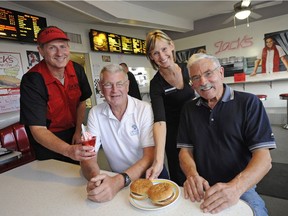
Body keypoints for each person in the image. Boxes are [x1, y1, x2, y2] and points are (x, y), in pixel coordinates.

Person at [177, 53, 276, 215]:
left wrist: (235, 188)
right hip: (203, 187)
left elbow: (264, 159)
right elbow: (185, 151)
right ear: (192, 84)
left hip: (241, 187)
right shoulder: (189, 109)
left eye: (208, 73)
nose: (203, 82)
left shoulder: (249, 103)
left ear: (221, 73)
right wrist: (192, 175)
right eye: (195, 78)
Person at [81, 64, 168, 203]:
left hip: (150, 175)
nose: (115, 90)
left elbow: (149, 156)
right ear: (101, 88)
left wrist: (119, 181)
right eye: (108, 85)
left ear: (127, 86)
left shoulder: (144, 109)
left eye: (119, 84)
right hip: (118, 179)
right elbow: (89, 156)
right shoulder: (95, 113)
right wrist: (96, 179)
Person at [20, 26, 95, 164]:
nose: (60, 53)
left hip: (73, 132)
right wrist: (68, 150)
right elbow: (37, 129)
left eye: (63, 46)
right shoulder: (32, 80)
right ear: (41, 51)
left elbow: (82, 101)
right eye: (52, 48)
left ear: (68, 48)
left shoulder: (77, 69)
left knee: (75, 173)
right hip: (47, 138)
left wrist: (78, 131)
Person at [145, 30, 195, 186]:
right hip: (174, 134)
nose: (161, 56)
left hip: (195, 126)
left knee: (202, 167)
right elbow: (159, 120)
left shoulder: (189, 69)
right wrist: (158, 161)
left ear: (171, 45)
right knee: (180, 175)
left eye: (164, 49)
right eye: (155, 53)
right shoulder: (156, 84)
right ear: (151, 57)